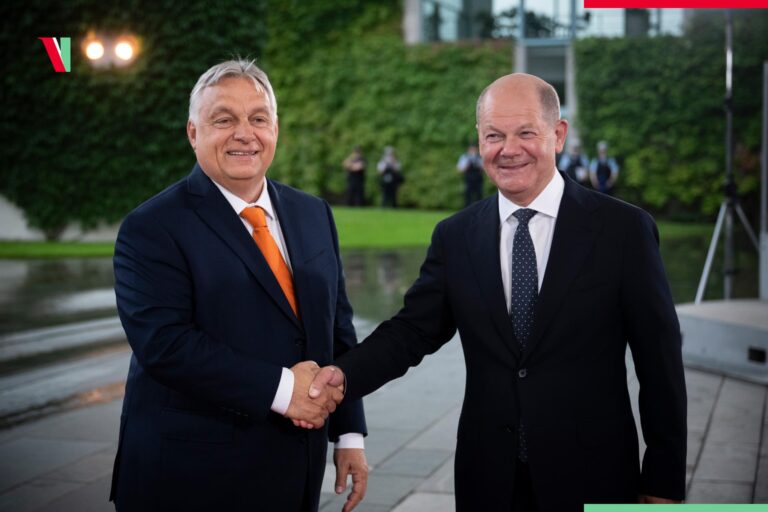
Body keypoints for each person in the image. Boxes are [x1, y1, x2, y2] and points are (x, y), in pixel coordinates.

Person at [308, 74, 686, 511]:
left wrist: (663, 480)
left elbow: (659, 362)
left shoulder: (623, 231)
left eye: (526, 133)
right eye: (494, 135)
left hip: (593, 475)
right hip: (488, 478)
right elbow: (411, 331)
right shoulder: (456, 236)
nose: (509, 149)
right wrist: (341, 376)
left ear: (558, 134)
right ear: (479, 139)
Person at [110, 60, 367, 512]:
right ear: (193, 133)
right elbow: (165, 345)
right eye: (224, 119)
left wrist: (348, 433)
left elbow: (336, 325)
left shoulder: (313, 213)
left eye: (258, 118)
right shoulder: (151, 227)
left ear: (275, 129)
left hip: (295, 469)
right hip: (191, 477)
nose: (245, 134)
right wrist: (286, 391)